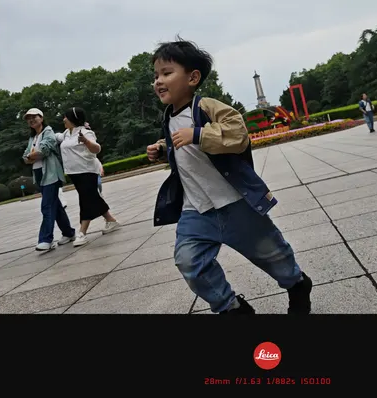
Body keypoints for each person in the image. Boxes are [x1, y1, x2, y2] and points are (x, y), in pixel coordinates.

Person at [146, 38, 312, 315]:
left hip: (234, 203)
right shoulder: (168, 117)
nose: (158, 81)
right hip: (196, 209)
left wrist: (197, 134)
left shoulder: (207, 106)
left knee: (272, 254)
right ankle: (231, 307)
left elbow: (237, 134)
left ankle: (297, 284)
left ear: (192, 78)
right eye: (156, 76)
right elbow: (181, 147)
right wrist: (163, 149)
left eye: (167, 73)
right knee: (189, 262)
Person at [56, 107, 121, 246]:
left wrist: (85, 141)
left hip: (87, 171)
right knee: (92, 197)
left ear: (72, 119)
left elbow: (97, 149)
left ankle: (82, 232)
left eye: (65, 117)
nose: (63, 119)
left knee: (85, 200)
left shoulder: (86, 132)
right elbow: (56, 137)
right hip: (73, 173)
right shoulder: (67, 133)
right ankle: (111, 220)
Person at [22, 108, 76, 251]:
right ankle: (69, 233)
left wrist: (31, 156)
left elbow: (44, 151)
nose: (31, 120)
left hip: (50, 174)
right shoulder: (33, 137)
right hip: (39, 174)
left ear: (41, 117)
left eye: (34, 117)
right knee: (55, 206)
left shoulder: (48, 132)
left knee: (46, 206)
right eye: (28, 118)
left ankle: (46, 239)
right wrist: (31, 156)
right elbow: (25, 156)